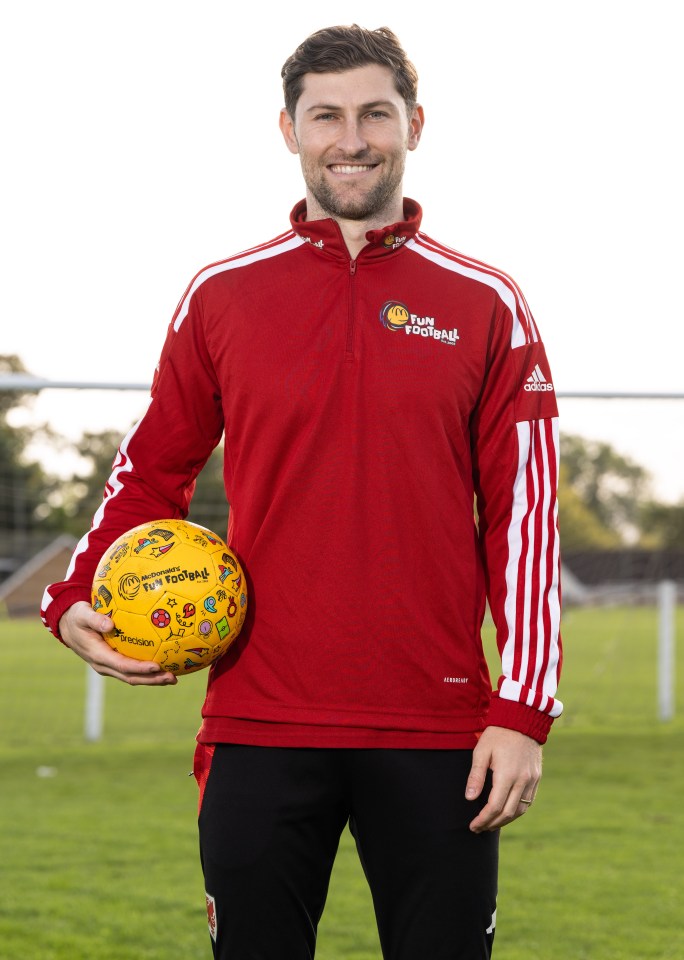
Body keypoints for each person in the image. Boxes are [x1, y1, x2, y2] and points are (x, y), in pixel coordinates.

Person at [41, 24, 563, 960]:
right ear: (289, 129)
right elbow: (151, 470)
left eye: (375, 113)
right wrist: (75, 597)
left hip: (438, 724)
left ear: (415, 124)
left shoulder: (488, 301)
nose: (350, 137)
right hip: (259, 720)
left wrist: (522, 712)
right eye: (326, 115)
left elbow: (524, 523)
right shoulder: (222, 295)